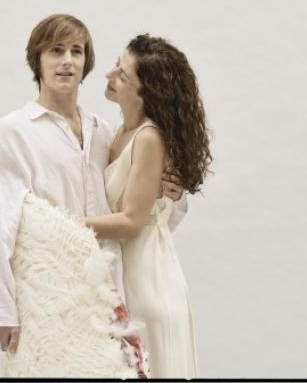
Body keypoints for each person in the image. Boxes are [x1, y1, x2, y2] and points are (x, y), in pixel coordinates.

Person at [0, 15, 187, 358]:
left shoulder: (103, 133)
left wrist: (172, 195)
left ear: (86, 62)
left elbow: (137, 216)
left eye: (76, 51)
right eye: (56, 50)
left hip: (111, 296)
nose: (67, 60)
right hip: (51, 295)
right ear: (37, 60)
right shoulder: (11, 134)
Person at [84, 34, 212, 378]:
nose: (109, 74)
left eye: (122, 75)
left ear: (146, 94)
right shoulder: (117, 132)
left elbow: (132, 222)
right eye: (116, 64)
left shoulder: (148, 138)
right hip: (125, 275)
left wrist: (64, 223)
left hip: (147, 283)